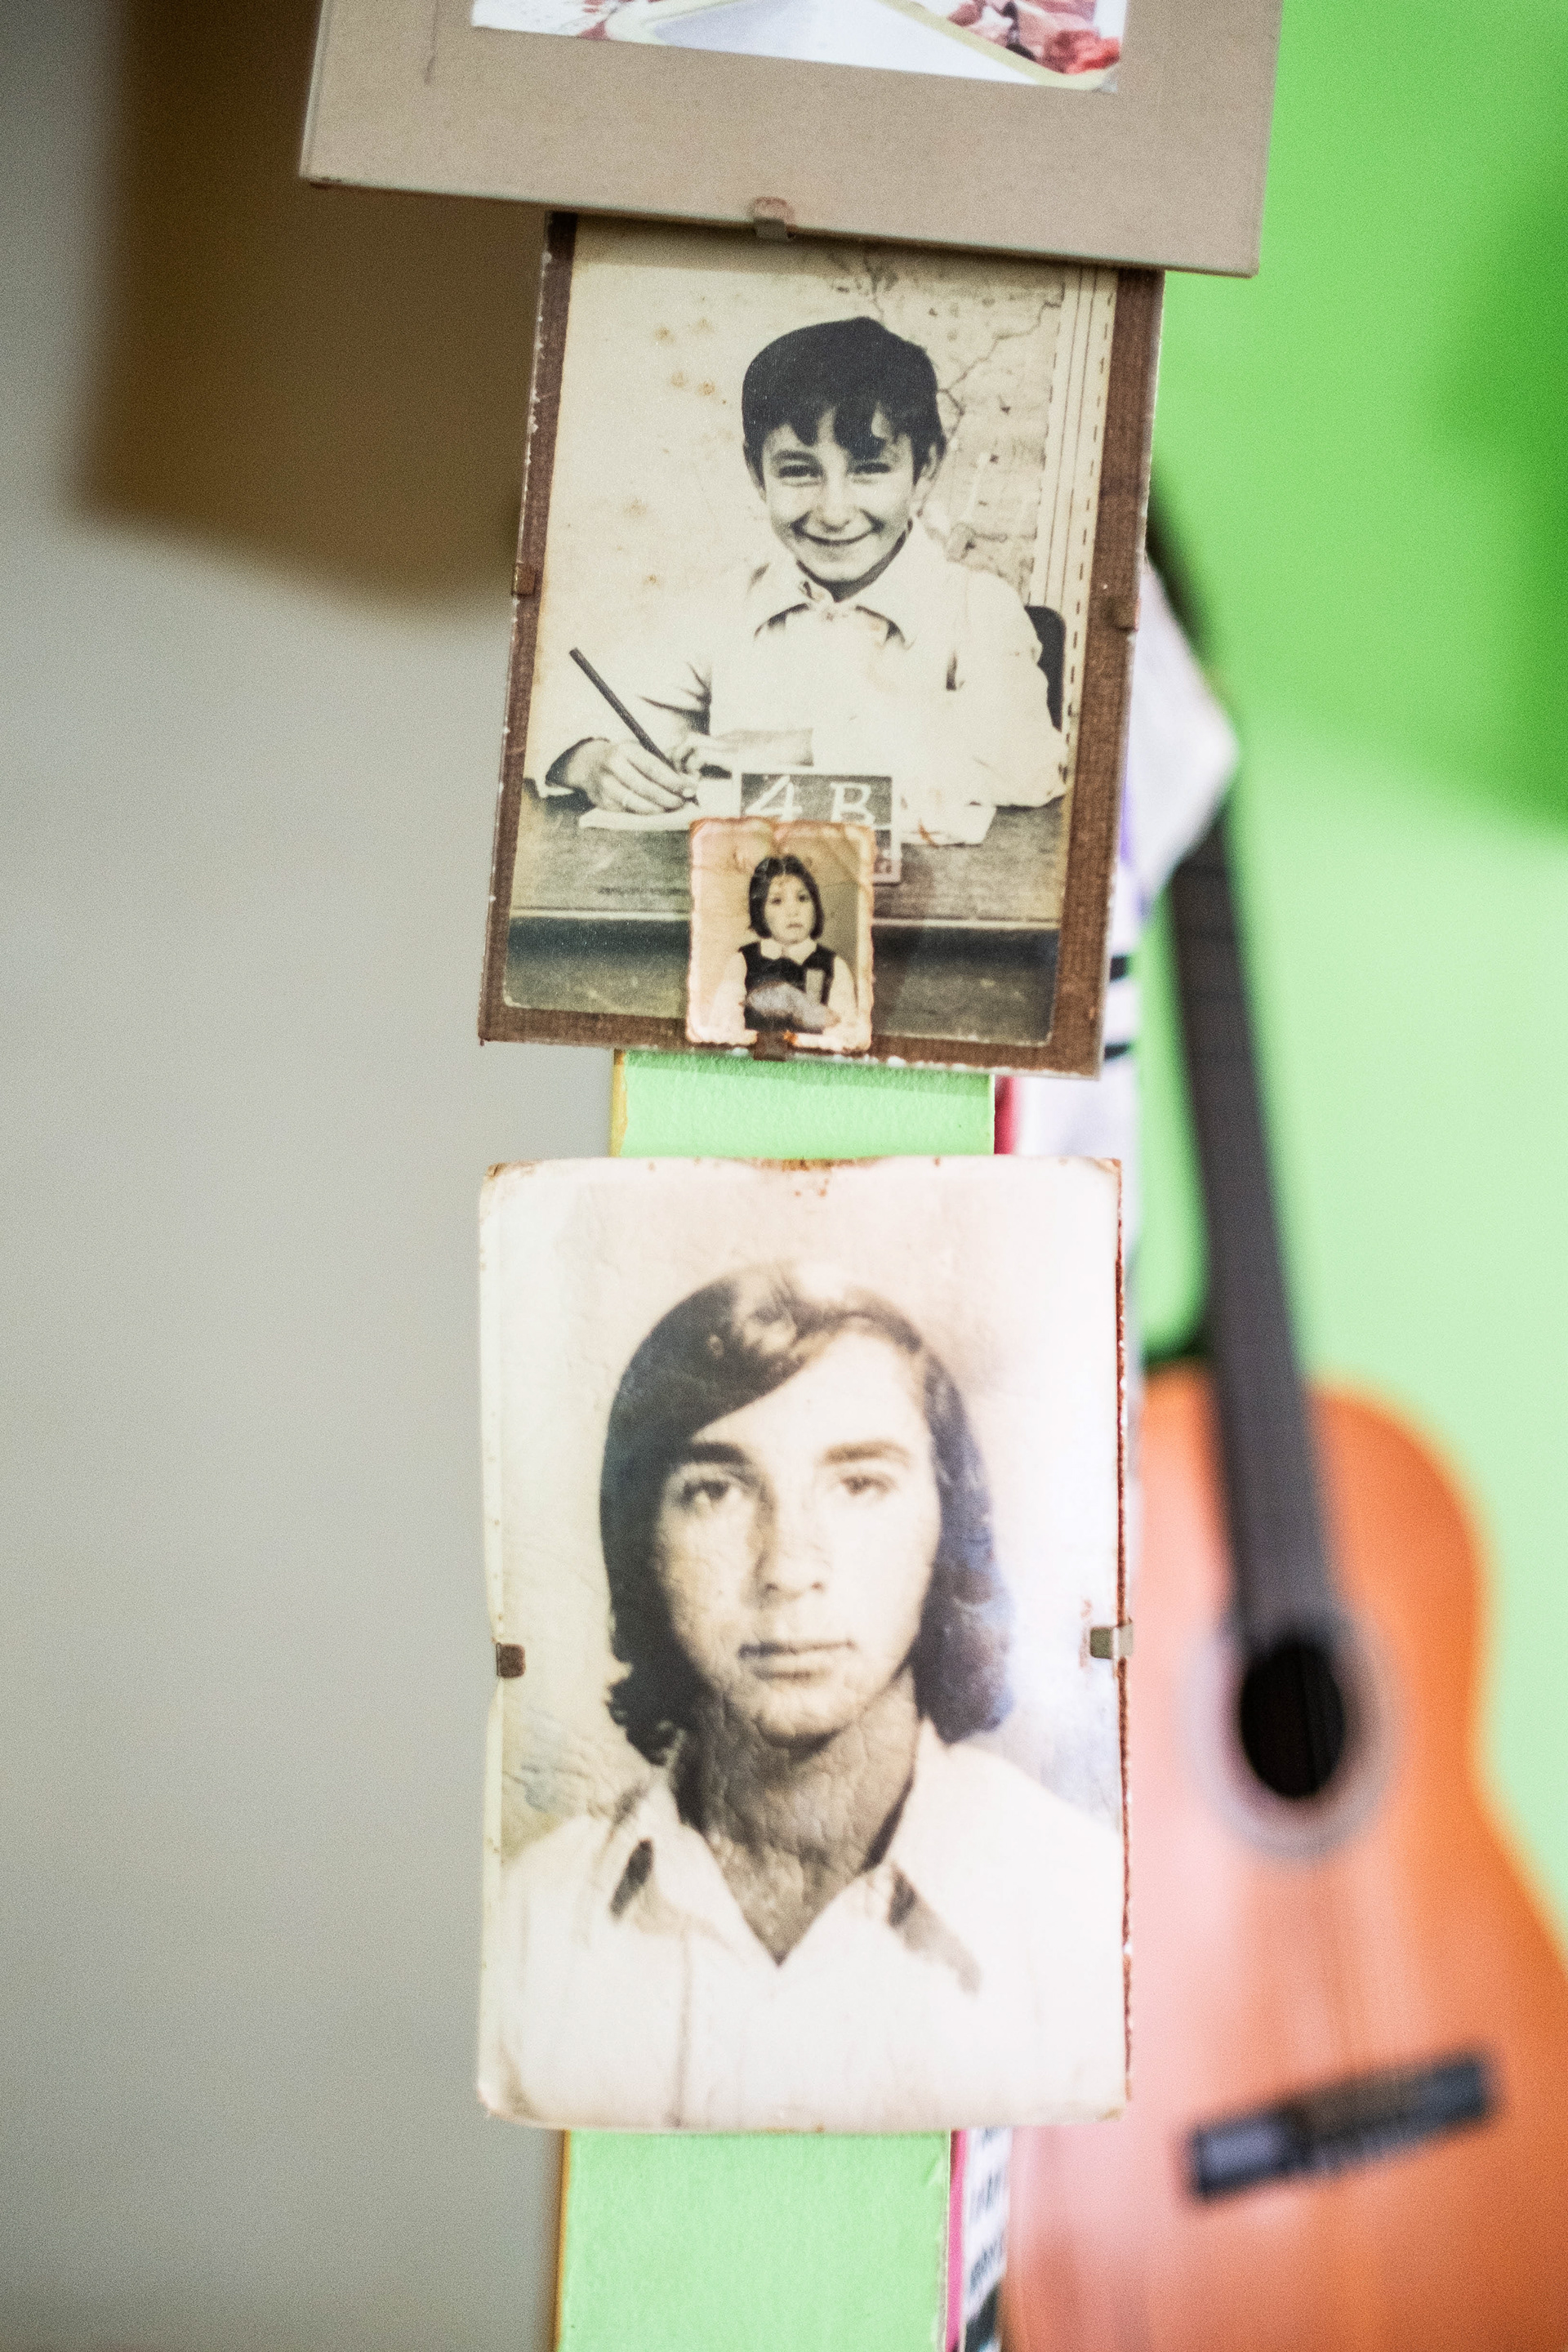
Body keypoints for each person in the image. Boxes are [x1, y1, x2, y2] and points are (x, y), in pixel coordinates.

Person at [479, 1264, 1125, 2132]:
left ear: (947, 1527)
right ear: (640, 1545)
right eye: (715, 1489)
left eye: (859, 1484)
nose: (787, 1566)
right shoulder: (537, 1920)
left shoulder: (1080, 1906)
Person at [543, 317, 1069, 848]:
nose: (834, 512)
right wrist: (587, 761)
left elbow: (1025, 756)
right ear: (757, 473)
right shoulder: (724, 606)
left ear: (925, 467)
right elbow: (549, 705)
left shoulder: (976, 607)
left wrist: (803, 747)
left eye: (869, 469)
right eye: (798, 471)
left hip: (929, 896)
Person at [706, 852, 861, 1046]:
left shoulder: (834, 966)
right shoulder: (742, 961)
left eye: (802, 898)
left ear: (815, 906)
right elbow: (723, 1027)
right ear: (760, 911)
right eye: (777, 901)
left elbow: (845, 1036)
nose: (793, 911)